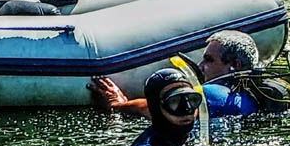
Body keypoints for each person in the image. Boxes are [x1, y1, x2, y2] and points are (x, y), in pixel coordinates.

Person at [87, 30, 261, 119]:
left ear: (235, 65)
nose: (200, 66)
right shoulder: (256, 94)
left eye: (209, 60)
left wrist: (118, 104)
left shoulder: (213, 93)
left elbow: (155, 108)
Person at [129, 69, 202, 146]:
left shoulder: (204, 130)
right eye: (174, 101)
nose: (187, 108)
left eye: (191, 99)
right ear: (156, 108)